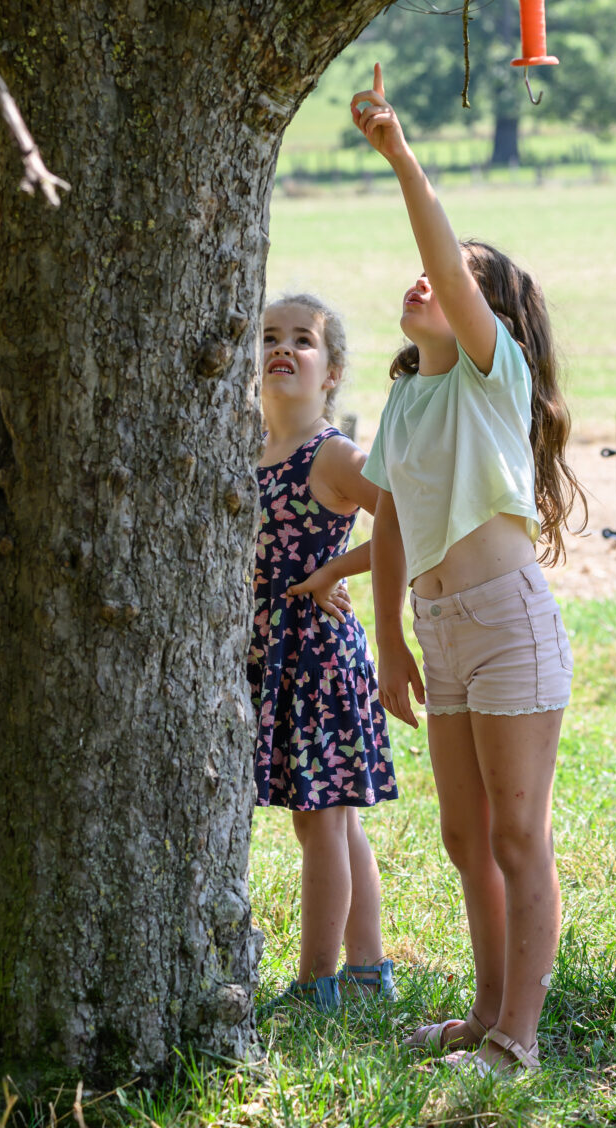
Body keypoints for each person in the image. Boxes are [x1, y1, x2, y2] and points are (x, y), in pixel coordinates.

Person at [354, 64, 584, 1076]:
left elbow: (443, 263)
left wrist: (400, 152)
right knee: (463, 837)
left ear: (480, 307)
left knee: (515, 836)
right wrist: (390, 640)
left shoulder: (494, 379)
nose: (425, 281)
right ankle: (484, 1016)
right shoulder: (406, 401)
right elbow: (393, 517)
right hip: (439, 634)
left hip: (506, 623)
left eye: (451, 277)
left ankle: (518, 1041)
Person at [250, 293, 398, 1015]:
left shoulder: (332, 455)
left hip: (319, 656)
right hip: (272, 654)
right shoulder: (247, 446)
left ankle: (316, 984)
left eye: (302, 341)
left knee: (323, 820)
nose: (283, 348)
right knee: (333, 819)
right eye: (270, 337)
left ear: (331, 370)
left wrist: (335, 571)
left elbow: (406, 517)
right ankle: (368, 969)